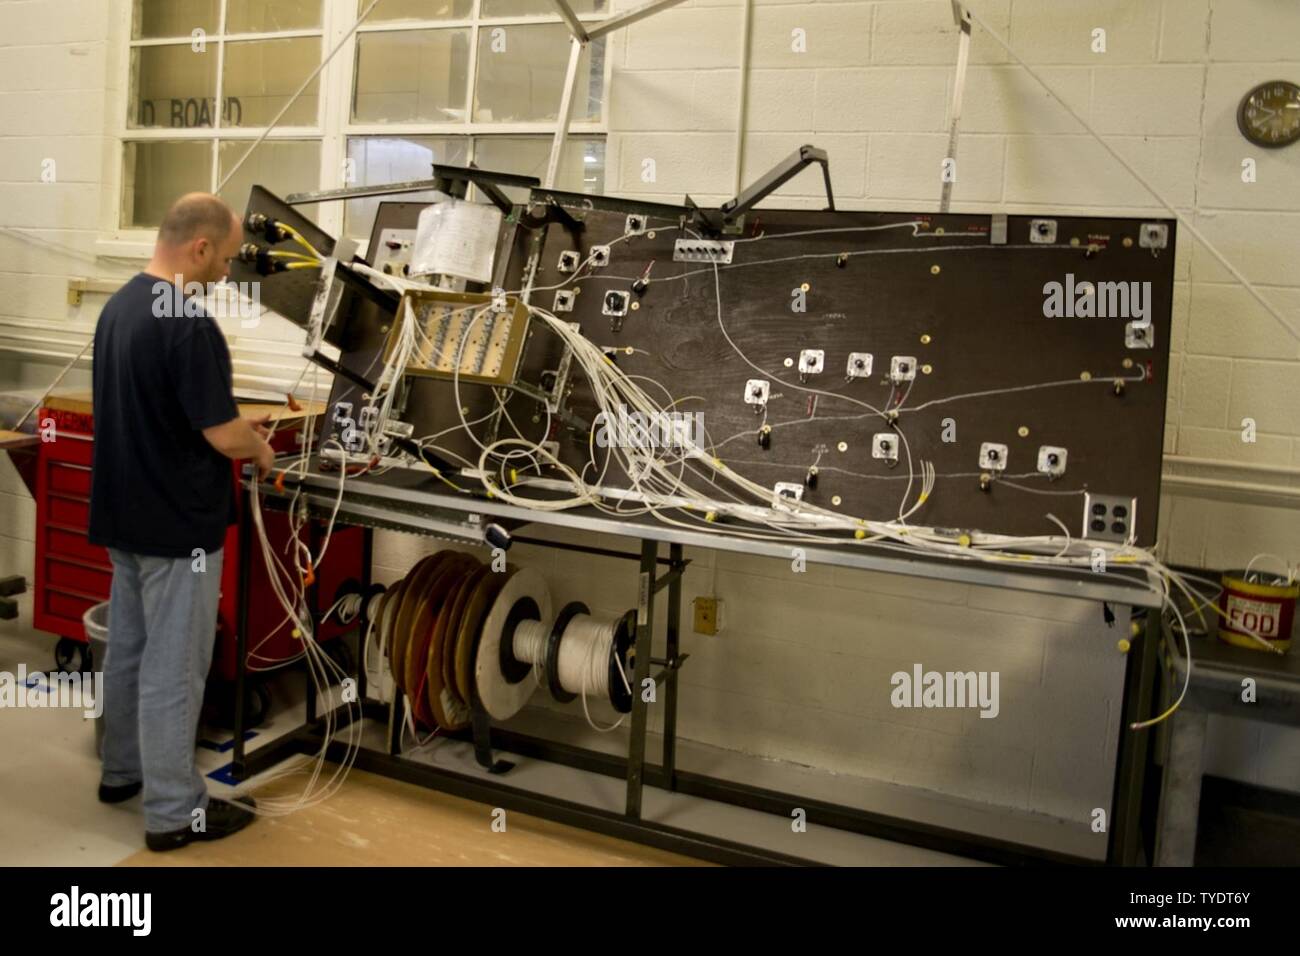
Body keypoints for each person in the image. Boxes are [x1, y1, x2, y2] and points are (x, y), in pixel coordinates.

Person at [89, 193, 275, 851]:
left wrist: (226, 427)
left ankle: (122, 773)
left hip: (123, 514)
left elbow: (159, 410)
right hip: (177, 531)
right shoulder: (188, 324)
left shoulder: (120, 306)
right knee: (176, 666)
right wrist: (257, 445)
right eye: (224, 259)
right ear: (198, 248)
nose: (226, 272)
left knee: (130, 652)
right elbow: (222, 436)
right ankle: (174, 813)